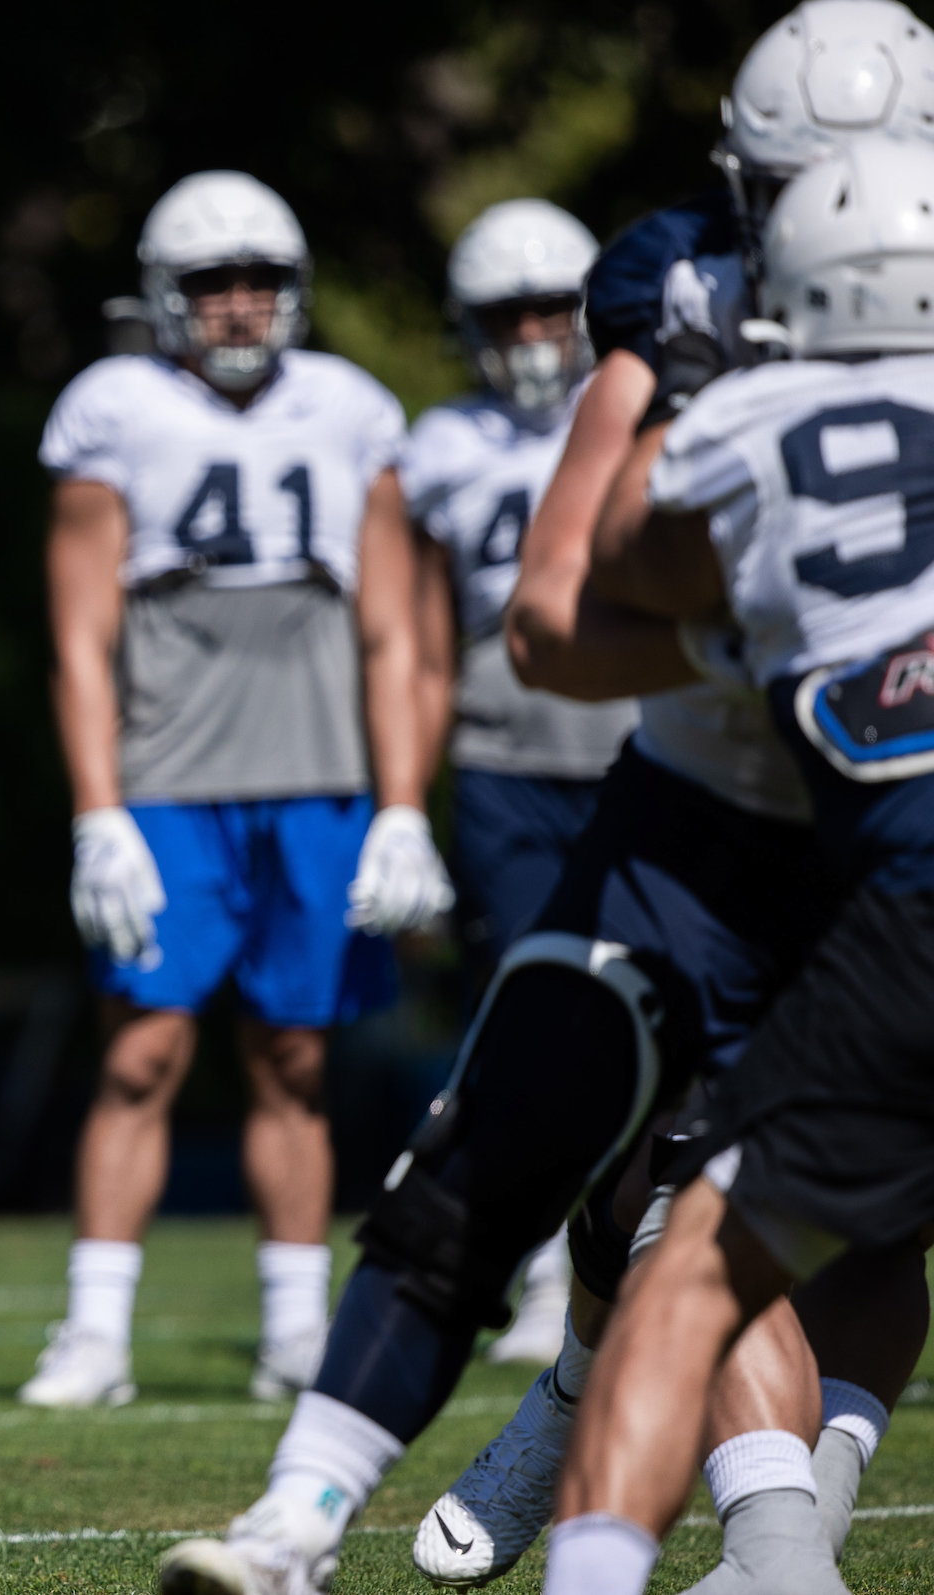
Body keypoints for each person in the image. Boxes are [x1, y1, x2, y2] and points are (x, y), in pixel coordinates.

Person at [154, 9, 934, 1593]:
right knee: (565, 1153)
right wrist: (759, 629)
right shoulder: (688, 296)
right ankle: (311, 1514)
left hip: (879, 835)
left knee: (839, 1222)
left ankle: (765, 1530)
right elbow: (551, 614)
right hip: (709, 813)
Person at [546, 131, 934, 1595]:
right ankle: (787, 1543)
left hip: (892, 899)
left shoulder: (746, 417)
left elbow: (610, 575)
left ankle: (753, 1559)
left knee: (688, 1256)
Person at [23, 169, 442, 1415]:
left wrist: (404, 800)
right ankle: (96, 1329)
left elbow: (395, 633)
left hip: (317, 774)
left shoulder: (353, 409)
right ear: (166, 295)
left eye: (260, 280)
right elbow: (79, 637)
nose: (241, 305)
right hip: (169, 776)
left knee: (296, 1055)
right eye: (214, 282)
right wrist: (99, 812)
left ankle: (295, 1331)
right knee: (145, 1047)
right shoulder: (113, 408)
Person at [399, 198, 635, 1368]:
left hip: (638, 753)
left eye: (554, 306)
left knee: (661, 1016)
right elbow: (419, 639)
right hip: (501, 760)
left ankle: (645, 1257)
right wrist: (403, 804)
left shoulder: (644, 409)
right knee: (528, 1019)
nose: (538, 333)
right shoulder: (438, 445)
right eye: (511, 312)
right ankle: (547, 1270)